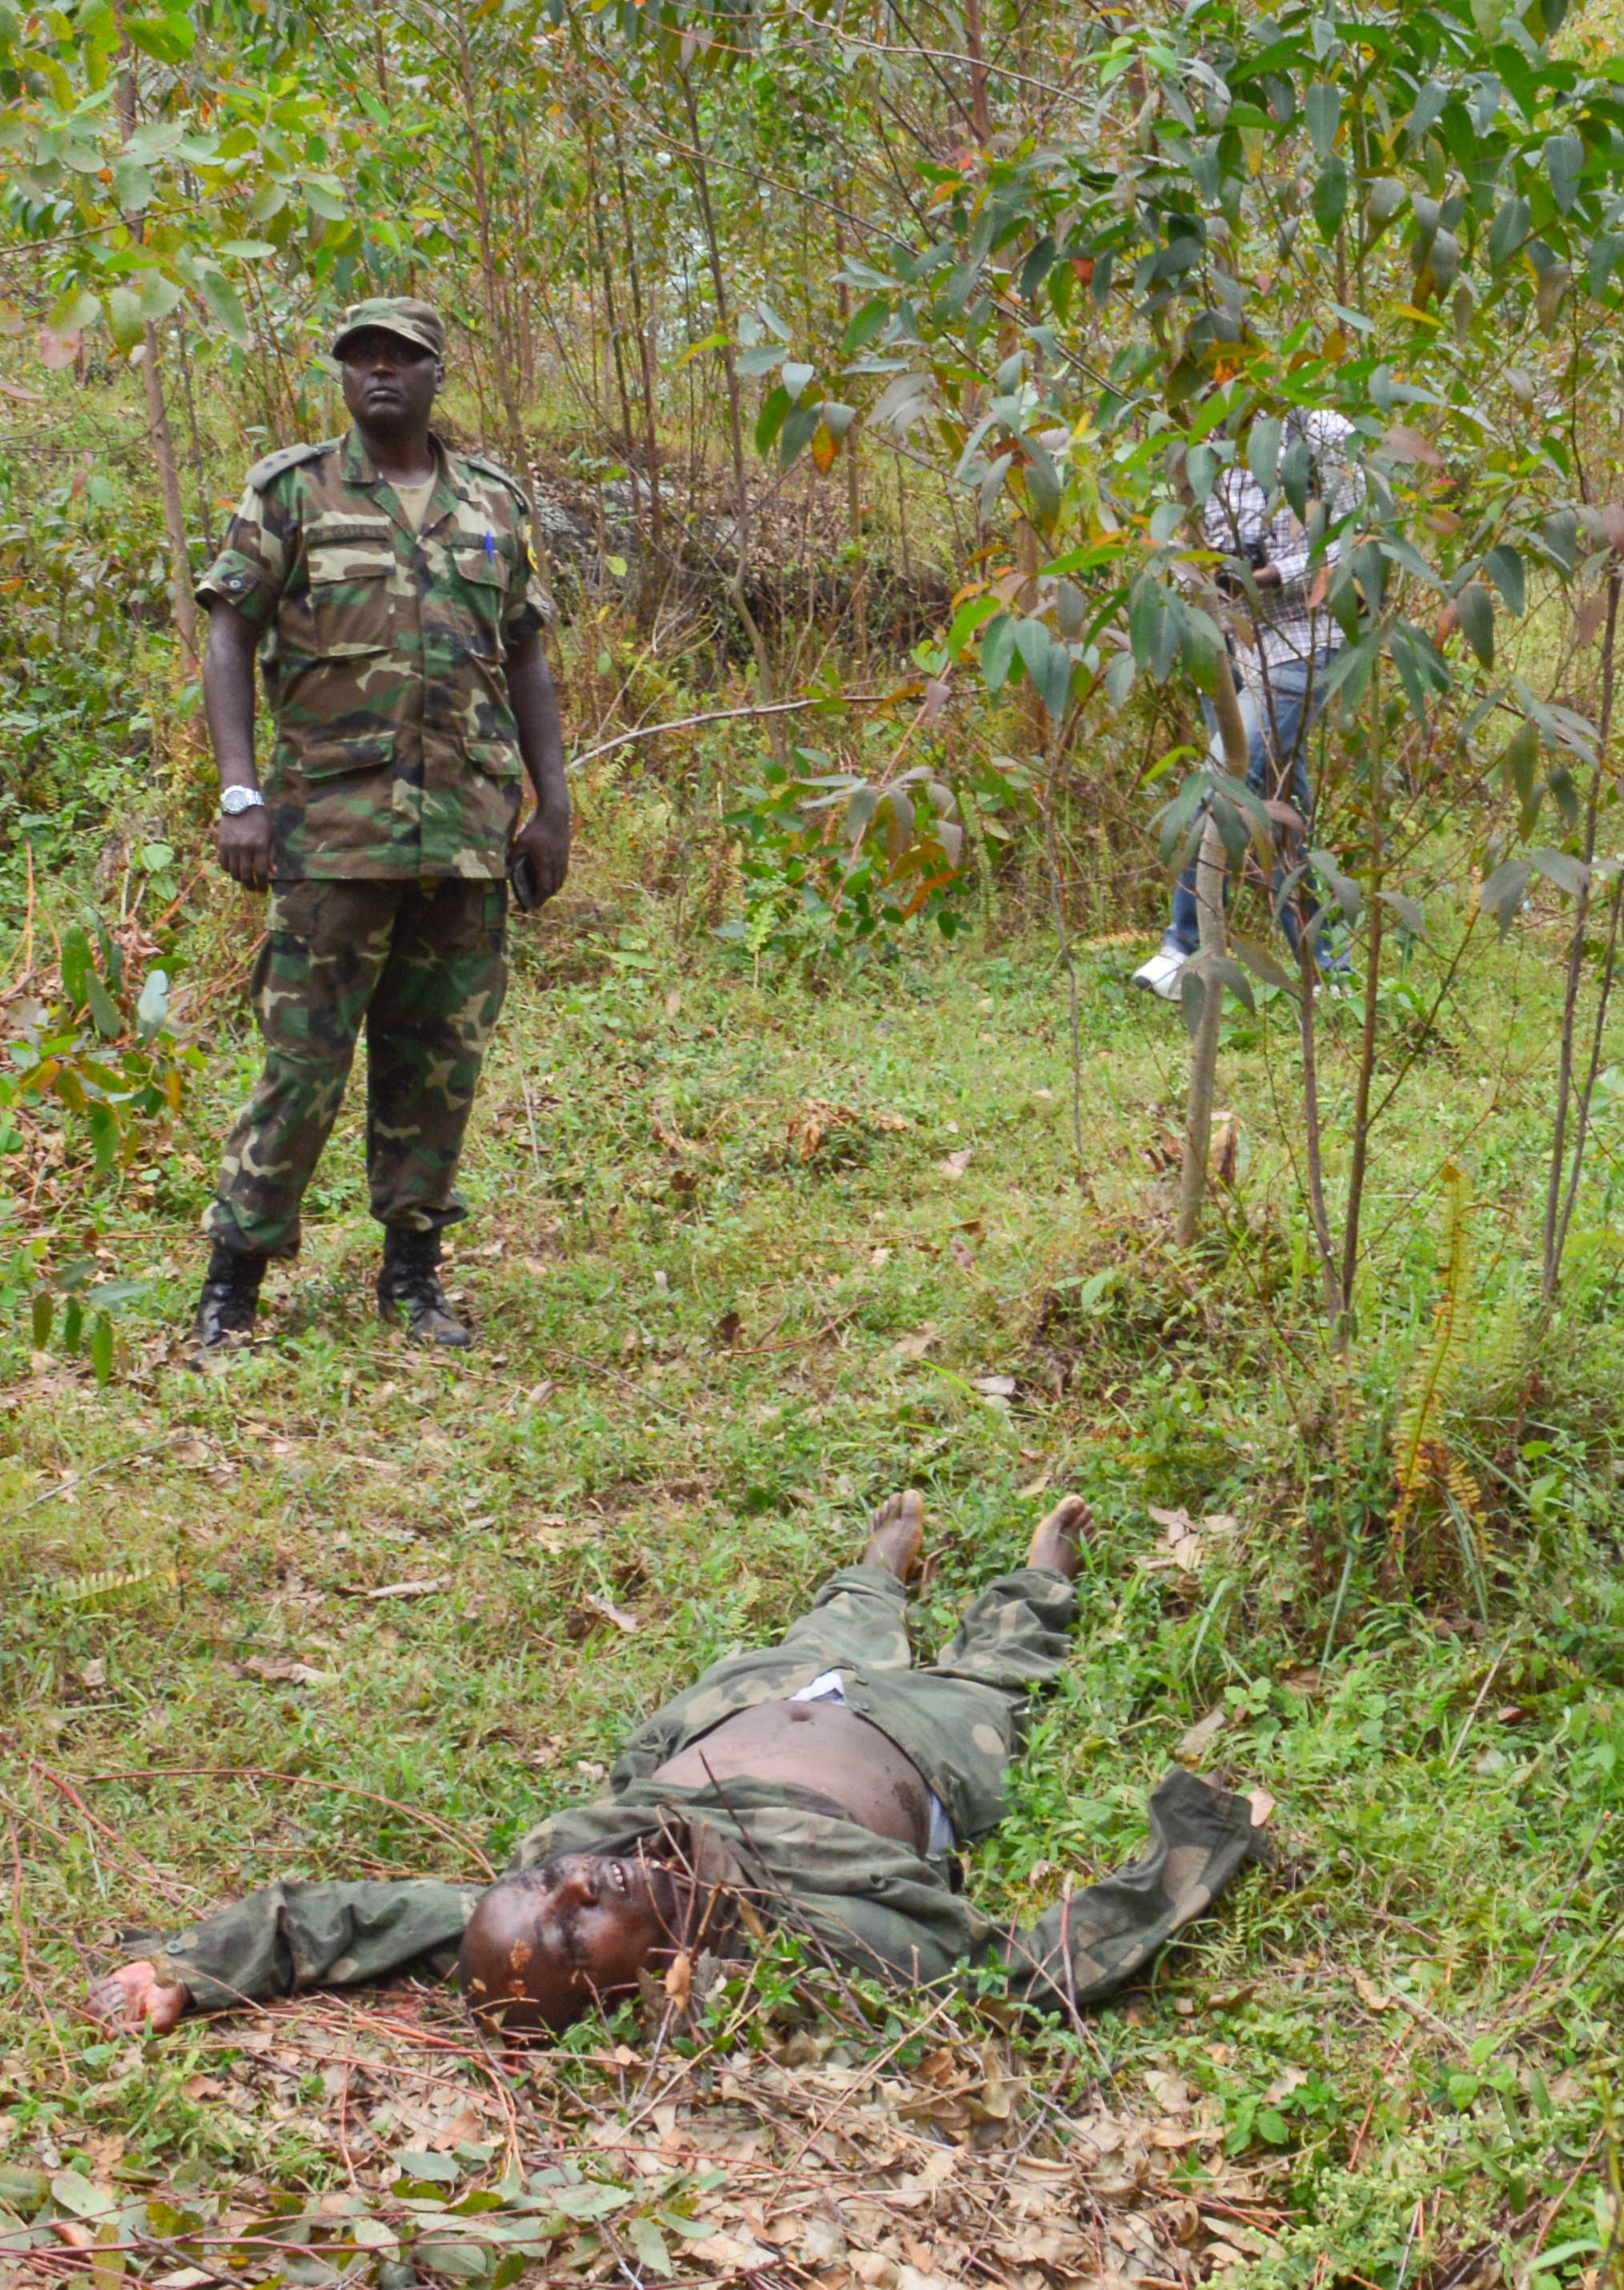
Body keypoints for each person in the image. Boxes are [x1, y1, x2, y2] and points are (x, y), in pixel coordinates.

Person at [88, 1493, 1263, 2035]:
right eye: (568, 1930)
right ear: (640, 1987)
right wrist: (1196, 1844)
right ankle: (1039, 1574)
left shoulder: (570, 1874)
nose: (574, 1884)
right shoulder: (829, 1936)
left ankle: (874, 1576)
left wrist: (191, 1965)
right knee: (996, 1671)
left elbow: (340, 1919)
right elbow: (1028, 1973)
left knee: (824, 1635)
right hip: (917, 1744)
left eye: (539, 1888)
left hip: (733, 1715)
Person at [189, 298, 574, 1353]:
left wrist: (554, 802)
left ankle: (413, 1277)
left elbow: (527, 652)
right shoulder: (292, 492)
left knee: (437, 1060)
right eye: (359, 358)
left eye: (400, 357)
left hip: (465, 830)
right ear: (343, 378)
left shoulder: (491, 501)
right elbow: (228, 637)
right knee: (302, 1061)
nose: (379, 374)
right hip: (329, 828)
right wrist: (240, 795)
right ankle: (234, 1283)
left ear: (437, 371)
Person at [1137, 407, 1361, 1000]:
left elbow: (1355, 539)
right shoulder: (1193, 439)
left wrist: (1263, 575)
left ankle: (1181, 949)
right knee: (1278, 804)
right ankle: (1328, 970)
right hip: (1227, 643)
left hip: (1303, 642)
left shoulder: (1319, 431)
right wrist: (1202, 571)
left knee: (1224, 784)